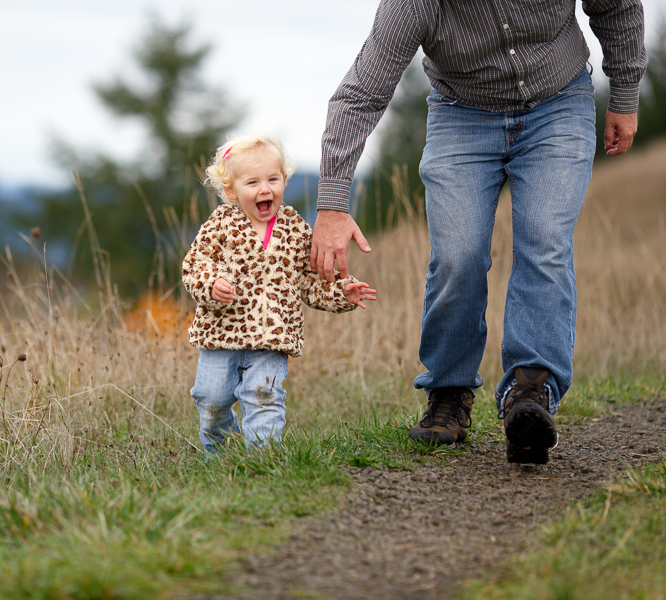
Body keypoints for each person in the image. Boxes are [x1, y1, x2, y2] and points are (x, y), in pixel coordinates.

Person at [311, 0, 647, 463]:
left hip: (558, 105)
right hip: (461, 117)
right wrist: (331, 204)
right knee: (457, 255)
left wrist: (625, 93)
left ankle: (531, 393)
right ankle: (448, 393)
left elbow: (618, 6)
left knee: (544, 240)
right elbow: (361, 93)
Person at [182, 134, 377, 453]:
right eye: (253, 182)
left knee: (264, 396)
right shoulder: (220, 224)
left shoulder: (294, 228)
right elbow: (195, 265)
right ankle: (224, 453)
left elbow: (312, 281)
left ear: (284, 180)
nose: (265, 189)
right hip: (220, 334)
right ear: (231, 190)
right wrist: (210, 284)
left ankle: (263, 460)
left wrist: (343, 291)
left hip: (273, 337)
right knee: (211, 399)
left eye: (273, 179)